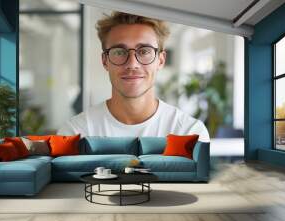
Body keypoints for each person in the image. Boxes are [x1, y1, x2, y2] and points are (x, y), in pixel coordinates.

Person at [57, 11, 210, 142]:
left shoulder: (189, 133)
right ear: (105, 61)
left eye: (144, 51)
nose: (132, 64)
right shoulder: (75, 133)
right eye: (119, 52)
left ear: (160, 60)